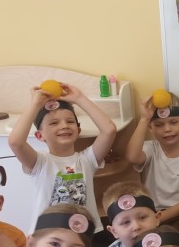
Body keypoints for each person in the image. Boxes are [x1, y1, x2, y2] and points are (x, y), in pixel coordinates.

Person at [8, 82, 117, 231]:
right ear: (40, 135)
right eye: (54, 123)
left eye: (70, 121)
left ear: (78, 130)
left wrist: (79, 98)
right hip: (48, 235)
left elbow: (109, 130)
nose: (64, 126)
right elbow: (15, 142)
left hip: (84, 234)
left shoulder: (87, 160)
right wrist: (35, 104)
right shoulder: (40, 162)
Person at [124, 92, 179, 239]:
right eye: (159, 125)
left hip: (178, 215)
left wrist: (158, 219)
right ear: (151, 127)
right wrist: (144, 119)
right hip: (149, 212)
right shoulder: (151, 148)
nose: (167, 129)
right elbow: (132, 157)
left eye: (173, 122)